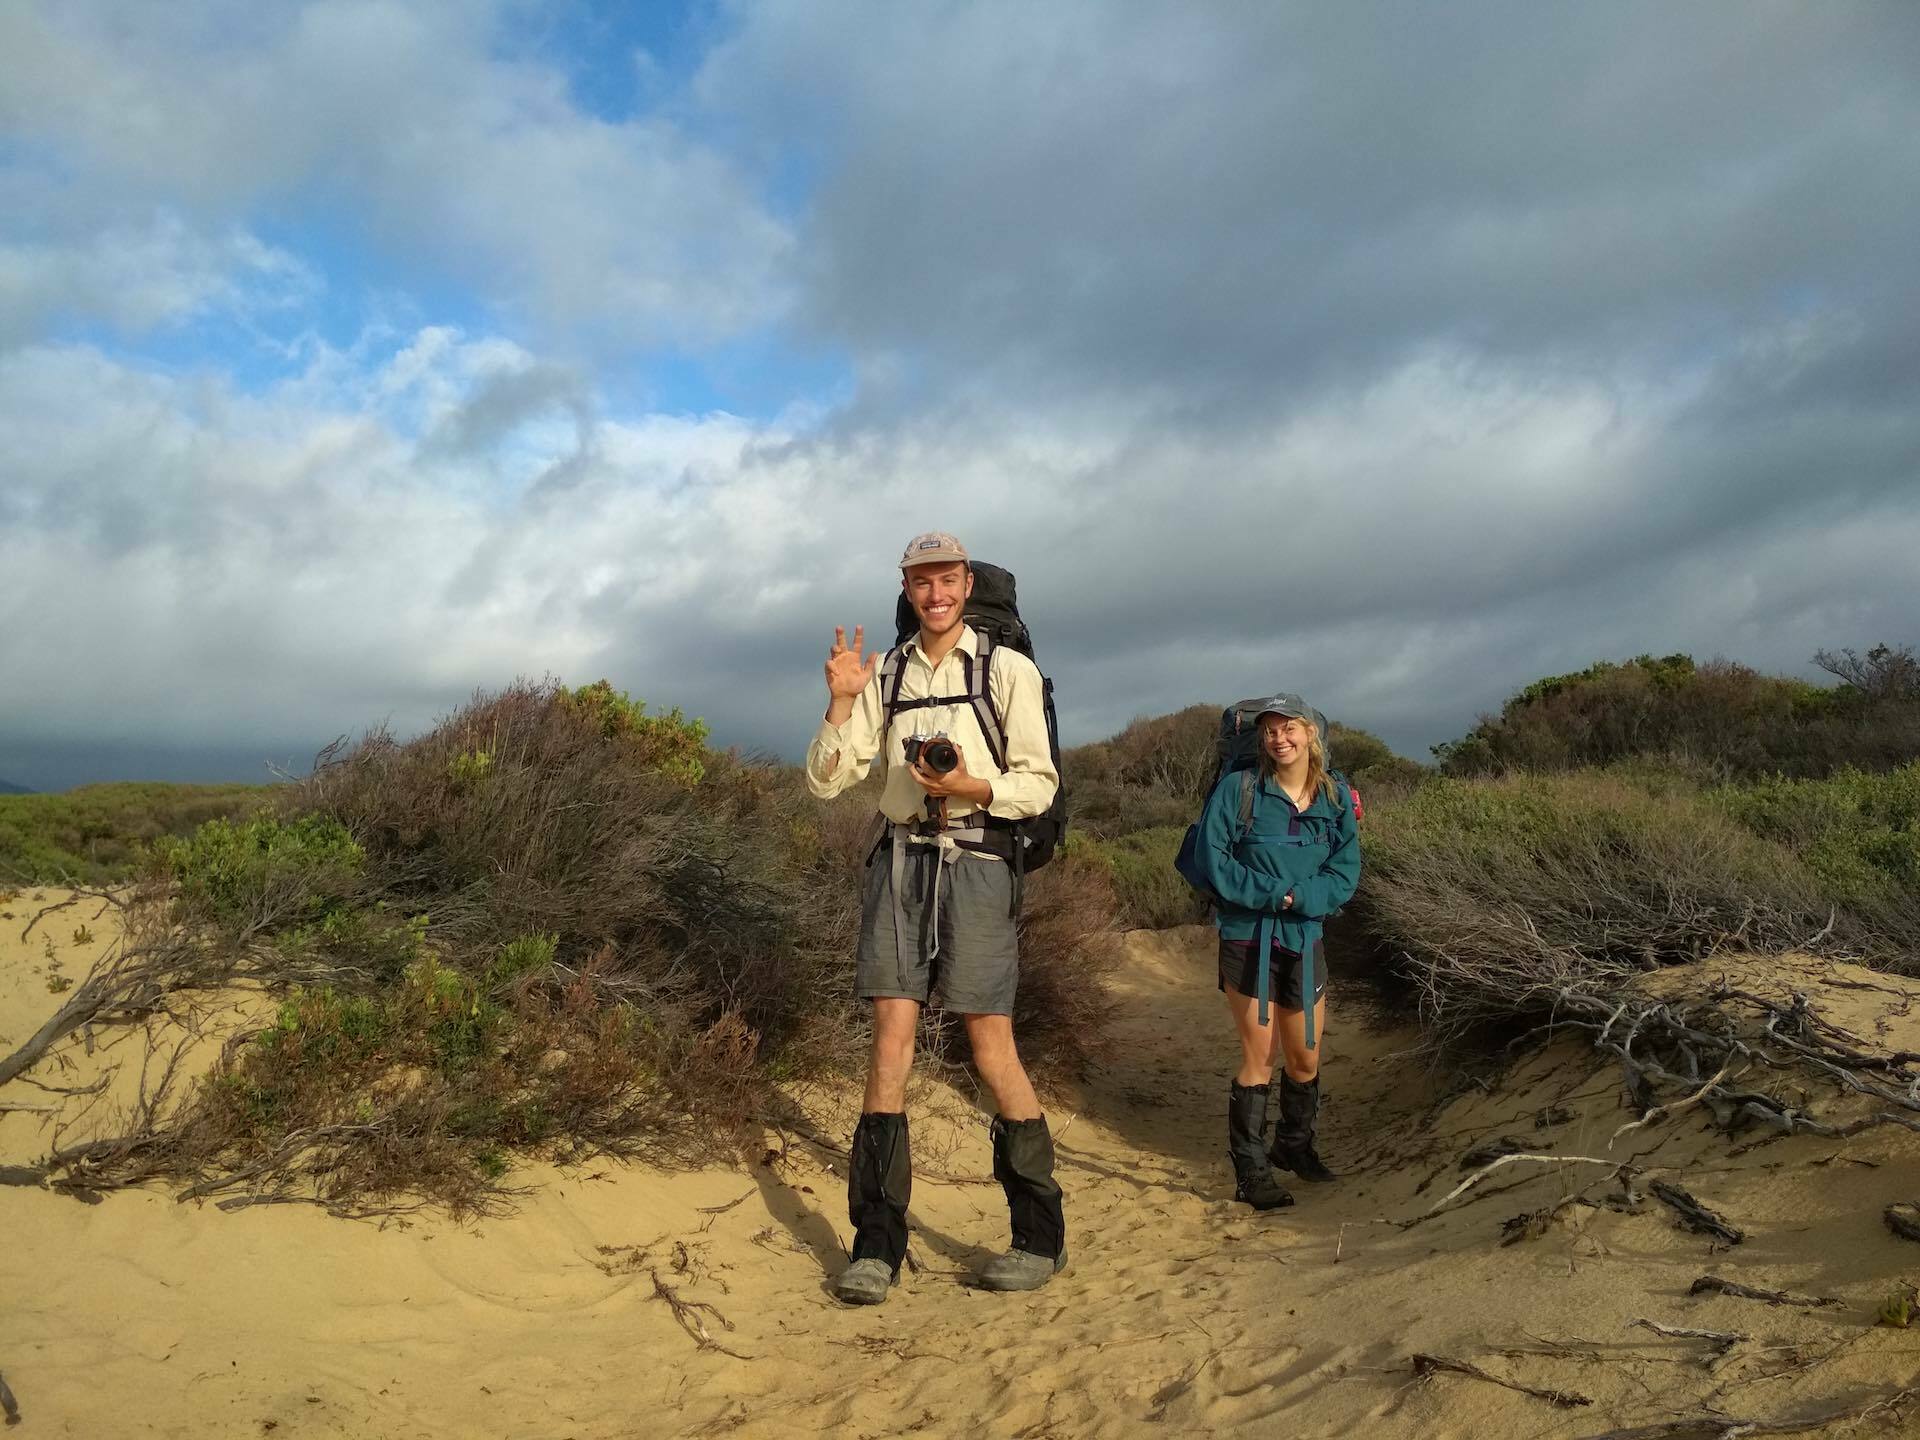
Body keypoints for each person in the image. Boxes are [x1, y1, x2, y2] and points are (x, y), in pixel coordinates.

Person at [805, 530, 1066, 1304]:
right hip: (900, 861)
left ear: (967, 584)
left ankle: (1038, 1237)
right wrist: (842, 701)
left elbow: (1039, 783)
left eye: (947, 579)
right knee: (890, 1043)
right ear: (907, 589)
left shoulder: (1007, 670)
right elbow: (828, 781)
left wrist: (971, 788)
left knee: (989, 1043)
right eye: (922, 581)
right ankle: (876, 1246)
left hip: (980, 861)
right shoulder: (886, 673)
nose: (936, 593)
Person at [1190, 696, 1360, 1211]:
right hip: (1249, 936)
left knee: (1305, 1056)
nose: (1278, 739)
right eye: (1269, 731)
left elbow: (1345, 869)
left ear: (1310, 735)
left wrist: (1302, 899)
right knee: (1259, 1056)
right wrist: (1274, 895)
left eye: (1289, 729)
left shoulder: (1334, 796)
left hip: (1305, 937)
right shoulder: (1239, 789)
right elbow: (1213, 858)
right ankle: (1251, 1171)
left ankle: (1294, 1146)